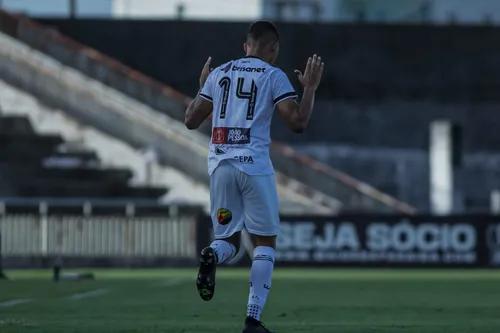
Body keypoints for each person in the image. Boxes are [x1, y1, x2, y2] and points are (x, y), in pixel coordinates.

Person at [184, 20, 324, 333]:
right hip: (254, 166)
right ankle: (252, 319)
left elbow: (191, 120)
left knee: (228, 241)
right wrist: (310, 89)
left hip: (220, 166)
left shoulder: (219, 73)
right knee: (265, 242)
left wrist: (202, 86)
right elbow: (297, 122)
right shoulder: (274, 76)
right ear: (274, 49)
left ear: (246, 46)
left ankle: (210, 255)